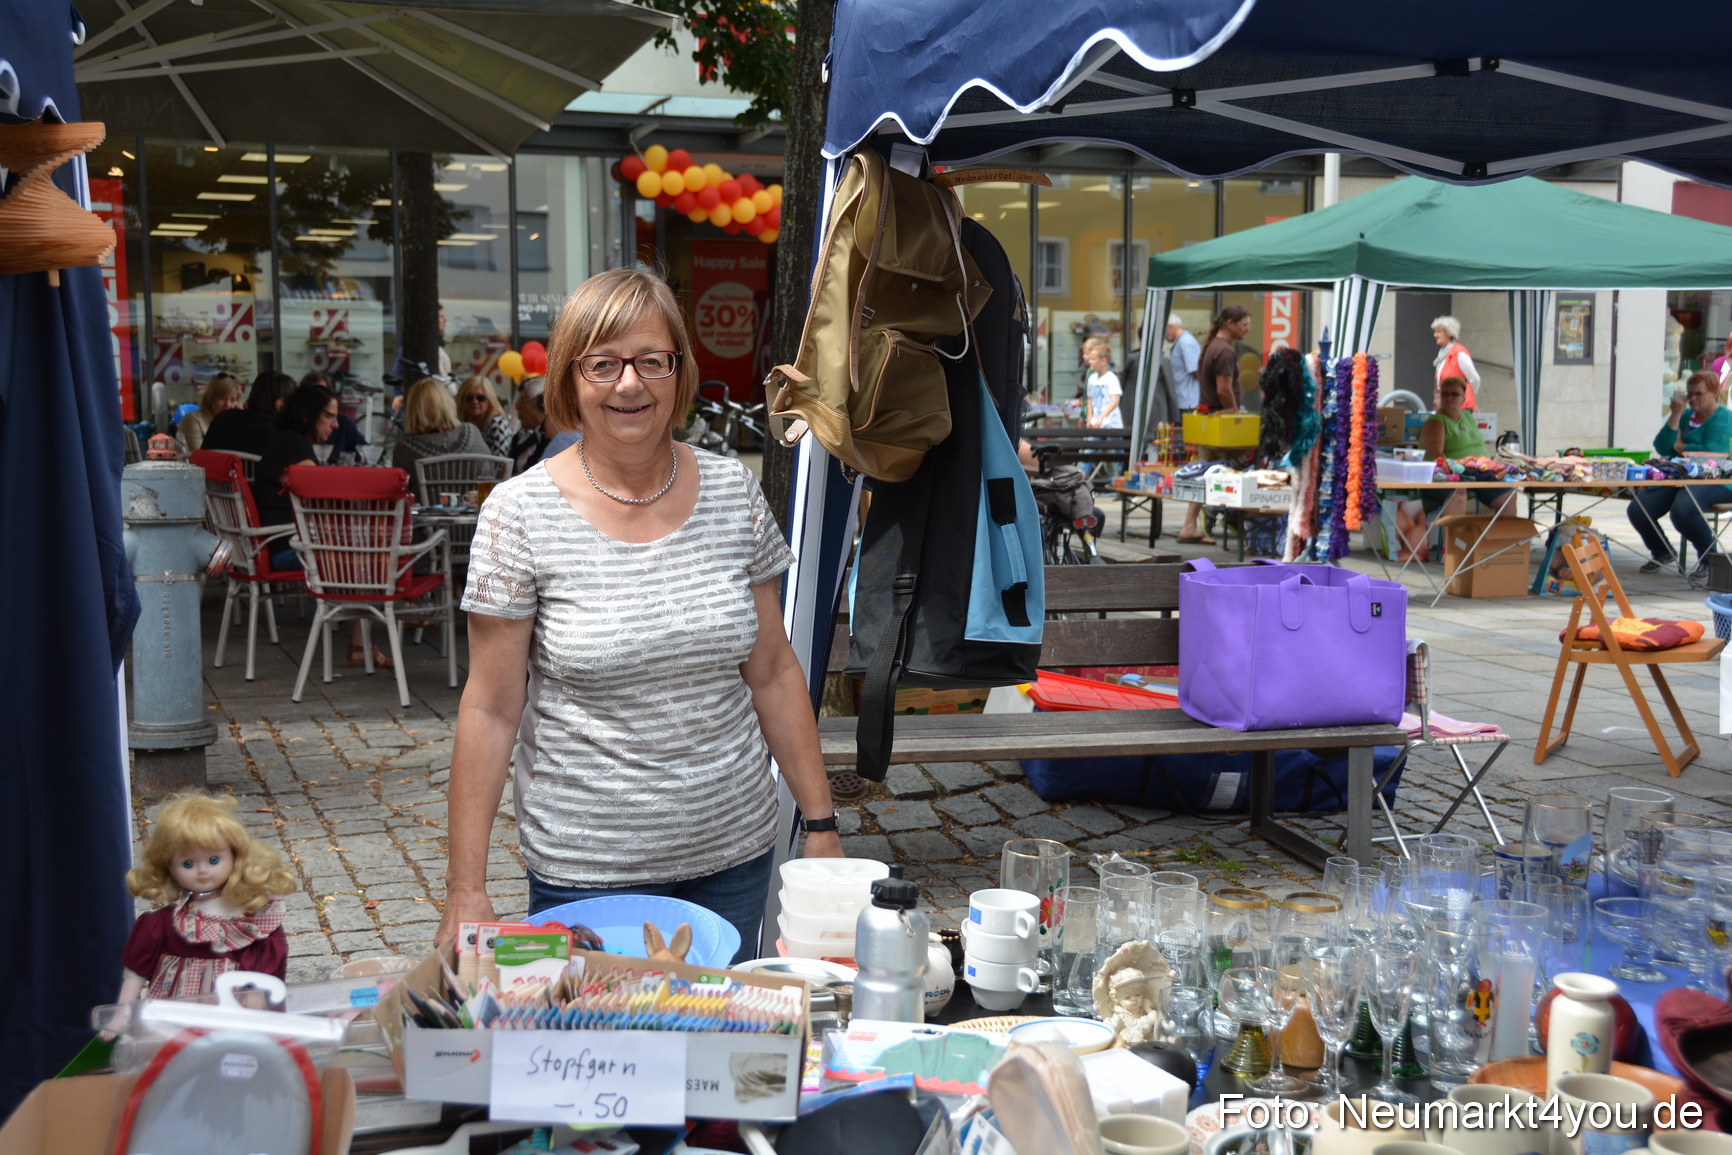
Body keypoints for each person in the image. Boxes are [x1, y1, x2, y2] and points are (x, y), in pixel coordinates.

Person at [436, 267, 841, 963]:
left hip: (734, 856)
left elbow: (773, 670)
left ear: (679, 373)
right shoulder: (518, 512)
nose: (630, 384)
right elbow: (491, 707)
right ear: (570, 378)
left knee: (720, 1057)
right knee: (602, 1064)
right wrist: (465, 888)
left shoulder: (731, 490)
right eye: (604, 363)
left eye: (652, 360)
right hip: (584, 876)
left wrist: (822, 822)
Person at [118, 791, 295, 1001]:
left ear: (235, 856)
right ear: (169, 868)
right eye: (188, 864)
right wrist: (123, 1013)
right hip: (177, 1018)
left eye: (213, 860)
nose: (202, 871)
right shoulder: (162, 924)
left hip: (234, 1015)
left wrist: (257, 995)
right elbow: (134, 975)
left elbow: (266, 970)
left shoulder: (253, 922)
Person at [1628, 370, 1732, 577]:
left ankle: (1709, 559)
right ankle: (1662, 551)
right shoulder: (1685, 416)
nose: (1692, 399)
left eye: (1698, 394)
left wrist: (1680, 445)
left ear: (1715, 393)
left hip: (1718, 479)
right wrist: (1675, 415)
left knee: (1684, 509)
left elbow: (1710, 453)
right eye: (1689, 393)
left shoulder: (1724, 419)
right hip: (1682, 477)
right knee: (1639, 508)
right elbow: (1662, 446)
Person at [1177, 305, 1252, 544]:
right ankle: (1225, 519)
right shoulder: (1225, 351)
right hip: (1221, 422)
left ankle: (1191, 525)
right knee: (1229, 472)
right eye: (1245, 325)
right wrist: (1234, 412)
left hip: (1208, 421)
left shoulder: (1212, 346)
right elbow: (1223, 389)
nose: (1247, 330)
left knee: (1205, 473)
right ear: (1230, 323)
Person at [1417, 376, 1510, 519]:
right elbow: (1437, 456)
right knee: (1457, 493)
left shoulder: (1467, 417)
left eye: (1454, 394)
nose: (1449, 398)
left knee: (1508, 495)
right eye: (1445, 394)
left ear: (1463, 398)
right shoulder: (1436, 422)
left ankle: (1500, 539)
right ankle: (1452, 541)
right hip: (1449, 476)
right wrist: (1455, 476)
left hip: (1479, 474)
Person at [391, 378, 488, 474]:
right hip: (475, 490)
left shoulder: (405, 449)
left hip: (428, 491)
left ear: (412, 410)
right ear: (448, 404)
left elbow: (400, 486)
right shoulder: (471, 433)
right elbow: (490, 471)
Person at [203, 370, 296, 457]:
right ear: (280, 404)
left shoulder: (221, 419)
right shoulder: (280, 434)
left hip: (211, 474)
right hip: (258, 475)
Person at [300, 369, 367, 459]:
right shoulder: (297, 428)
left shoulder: (343, 423)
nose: (335, 425)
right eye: (315, 395)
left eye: (324, 394)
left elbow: (365, 451)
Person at [177, 373, 243, 455]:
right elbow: (201, 458)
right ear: (211, 399)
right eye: (222, 398)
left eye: (232, 400)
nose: (228, 405)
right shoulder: (193, 420)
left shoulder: (232, 422)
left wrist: (241, 418)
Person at [457, 375, 515, 457]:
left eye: (480, 398)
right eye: (469, 397)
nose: (474, 401)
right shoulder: (459, 425)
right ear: (461, 400)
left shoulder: (497, 424)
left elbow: (499, 464)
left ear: (490, 401)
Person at [1432, 315, 1480, 410]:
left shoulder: (1459, 353)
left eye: (1438, 332)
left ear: (1449, 334)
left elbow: (1475, 379)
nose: (1435, 335)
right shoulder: (1443, 354)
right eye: (1435, 332)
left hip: (1458, 406)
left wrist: (1467, 397)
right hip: (1444, 401)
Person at [508, 375, 552, 474]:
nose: (517, 407)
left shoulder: (557, 437)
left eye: (523, 401)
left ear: (540, 402)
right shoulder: (524, 435)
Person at [1082, 337, 1123, 429]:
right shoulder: (1092, 377)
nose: (1089, 361)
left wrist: (1101, 418)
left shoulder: (1111, 377)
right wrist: (1089, 417)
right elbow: (1089, 399)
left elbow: (1114, 401)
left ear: (1103, 361)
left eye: (1093, 359)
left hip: (1111, 423)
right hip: (1096, 422)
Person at [1166, 313, 1201, 412]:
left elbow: (1196, 371)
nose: (1164, 335)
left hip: (1187, 402)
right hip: (1182, 400)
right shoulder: (1182, 342)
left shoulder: (1185, 343)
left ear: (1171, 327)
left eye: (1165, 331)